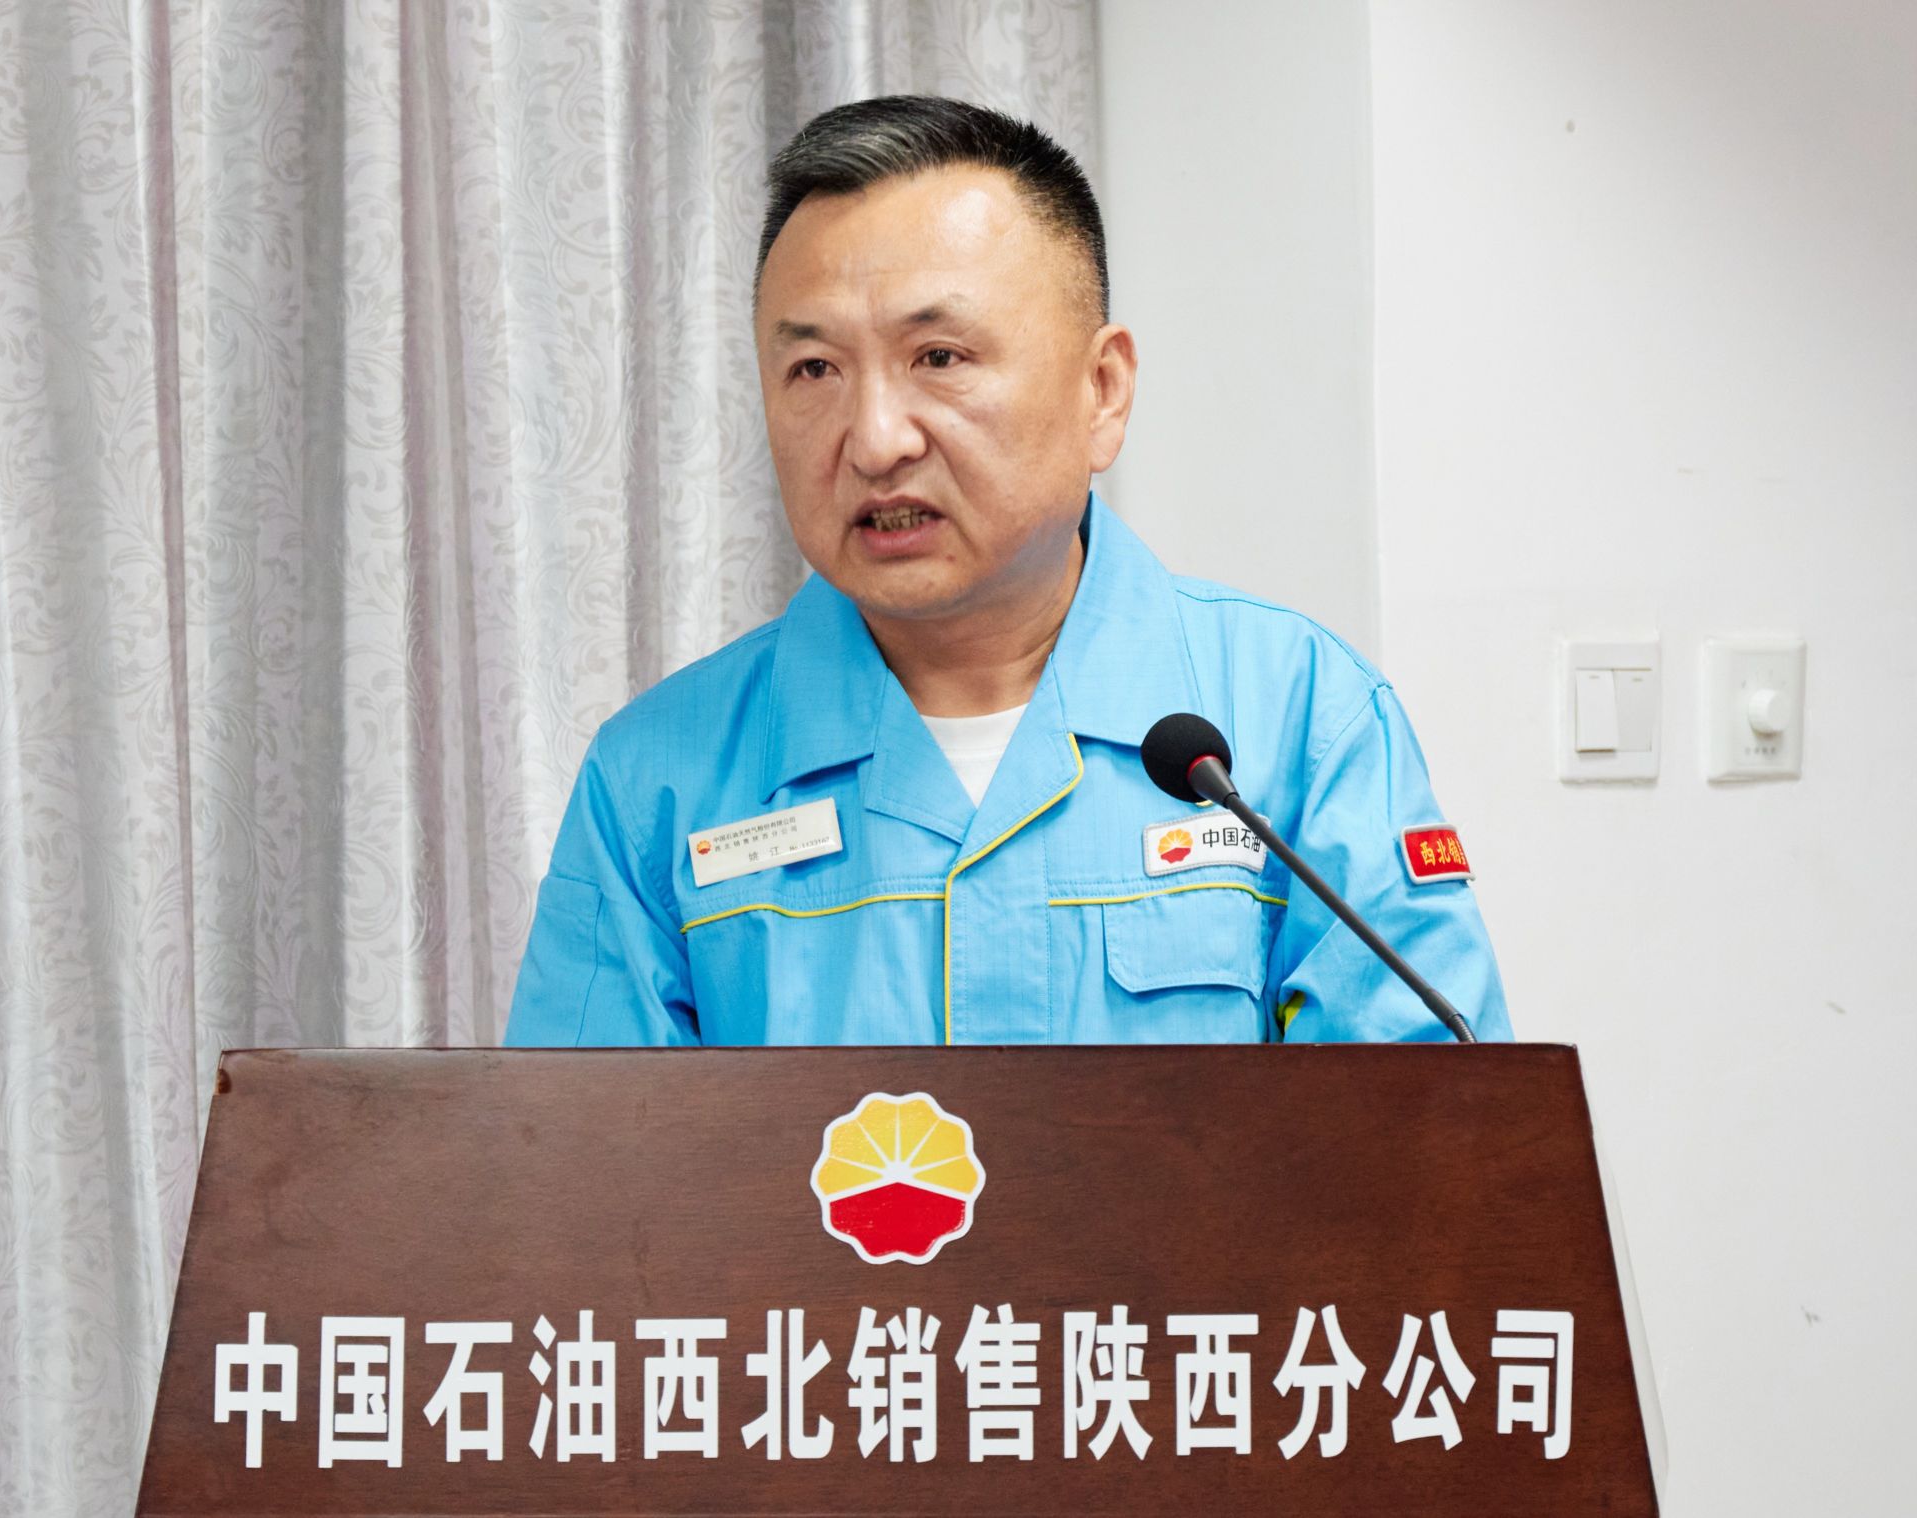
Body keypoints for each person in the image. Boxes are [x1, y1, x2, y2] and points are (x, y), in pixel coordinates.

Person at [504, 95, 1511, 1048]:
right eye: (814, 369)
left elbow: (1430, 1134)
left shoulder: (1298, 718)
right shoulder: (658, 777)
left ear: (1101, 391)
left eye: (938, 357)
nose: (875, 439)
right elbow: (582, 1159)